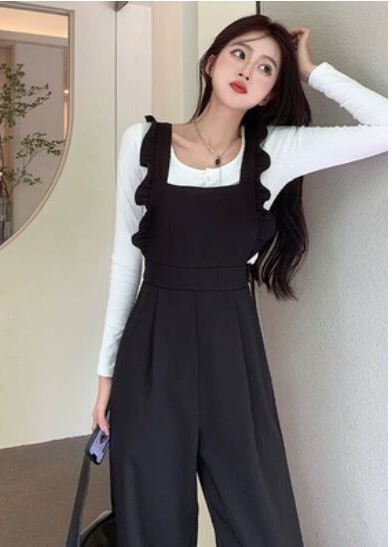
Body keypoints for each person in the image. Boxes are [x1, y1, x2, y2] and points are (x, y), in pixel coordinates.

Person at [92, 14, 387, 547]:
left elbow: (384, 128)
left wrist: (311, 70)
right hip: (152, 353)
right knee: (151, 519)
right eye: (240, 53)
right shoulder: (144, 143)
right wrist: (106, 372)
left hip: (234, 353)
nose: (249, 70)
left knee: (260, 521)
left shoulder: (276, 151)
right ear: (211, 63)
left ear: (272, 92)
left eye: (268, 67)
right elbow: (124, 262)